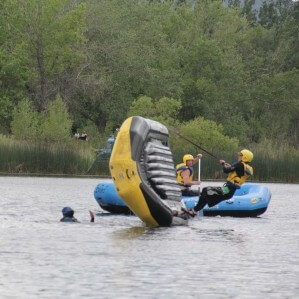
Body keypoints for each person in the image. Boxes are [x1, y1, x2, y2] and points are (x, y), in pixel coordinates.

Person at [190, 149, 254, 214]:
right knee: (205, 192)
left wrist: (223, 164)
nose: (238, 156)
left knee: (206, 190)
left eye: (240, 155)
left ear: (244, 157)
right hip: (228, 190)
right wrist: (229, 166)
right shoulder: (244, 166)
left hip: (228, 190)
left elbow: (226, 170)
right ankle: (194, 211)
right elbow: (234, 170)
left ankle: (194, 210)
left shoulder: (240, 164)